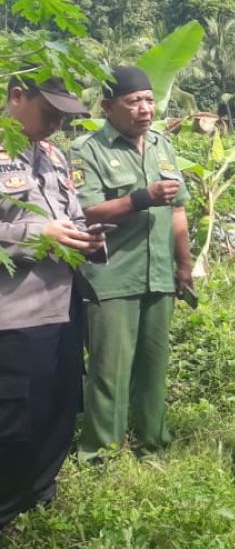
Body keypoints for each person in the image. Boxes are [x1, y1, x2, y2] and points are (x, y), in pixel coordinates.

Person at [72, 66, 192, 458]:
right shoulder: (87, 151)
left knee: (153, 367)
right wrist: (140, 198)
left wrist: (184, 266)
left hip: (159, 275)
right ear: (108, 107)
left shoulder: (162, 145)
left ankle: (151, 444)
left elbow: (177, 211)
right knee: (109, 371)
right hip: (112, 276)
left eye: (148, 100)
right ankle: (101, 452)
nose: (144, 108)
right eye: (133, 101)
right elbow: (86, 211)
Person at [1, 77, 99, 530]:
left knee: (57, 411)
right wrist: (40, 235)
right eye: (50, 111)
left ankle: (37, 504)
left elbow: (73, 215)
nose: (58, 123)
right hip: (16, 315)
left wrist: (87, 240)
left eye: (64, 114)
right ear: (17, 96)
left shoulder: (54, 155)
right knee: (13, 422)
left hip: (64, 307)